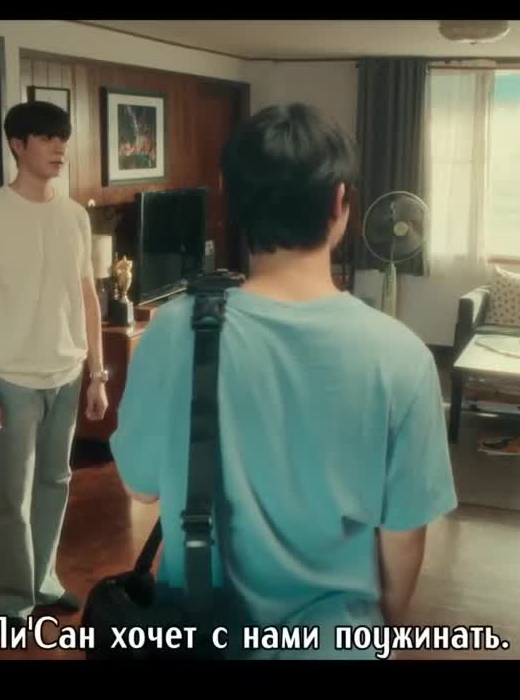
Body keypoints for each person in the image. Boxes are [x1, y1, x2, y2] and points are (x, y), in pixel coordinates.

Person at [109, 103, 457, 658]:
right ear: (340, 202)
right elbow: (404, 535)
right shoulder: (402, 356)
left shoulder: (172, 331)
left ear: (230, 196)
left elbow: (142, 486)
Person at [0, 101, 108, 622]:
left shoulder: (75, 216)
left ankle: (43, 580)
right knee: (10, 496)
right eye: (47, 138)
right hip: (12, 378)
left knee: (56, 482)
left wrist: (97, 374)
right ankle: (8, 599)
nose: (60, 148)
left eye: (63, 138)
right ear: (17, 145)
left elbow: (88, 297)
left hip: (68, 372)